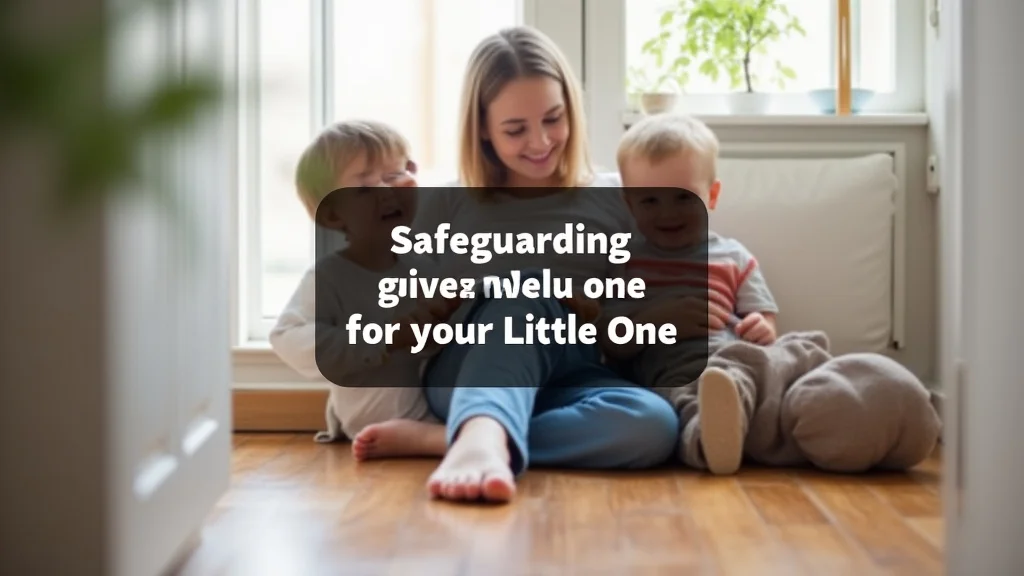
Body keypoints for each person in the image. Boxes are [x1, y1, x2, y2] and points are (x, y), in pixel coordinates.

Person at [410, 26, 679, 503]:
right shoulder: (451, 203)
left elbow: (632, 323)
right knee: (527, 288)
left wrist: (598, 316)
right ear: (482, 128)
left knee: (652, 425)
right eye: (515, 129)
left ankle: (463, 437)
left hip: (571, 375)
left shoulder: (616, 199)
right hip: (471, 366)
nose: (540, 142)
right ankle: (480, 425)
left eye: (553, 119)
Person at [608, 113, 942, 475]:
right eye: (649, 202)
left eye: (683, 198)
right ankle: (713, 434)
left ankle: (867, 394)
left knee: (798, 349)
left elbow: (764, 319)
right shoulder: (623, 261)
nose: (667, 213)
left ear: (712, 195)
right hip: (684, 370)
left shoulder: (734, 256)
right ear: (628, 204)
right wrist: (658, 322)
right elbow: (610, 343)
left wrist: (762, 327)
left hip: (752, 358)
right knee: (696, 392)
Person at [269, 120, 452, 462]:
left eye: (396, 176)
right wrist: (378, 340)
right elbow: (286, 335)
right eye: (366, 188)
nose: (388, 191)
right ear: (334, 215)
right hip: (376, 416)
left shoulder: (427, 262)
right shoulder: (331, 276)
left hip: (436, 404)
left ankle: (458, 433)